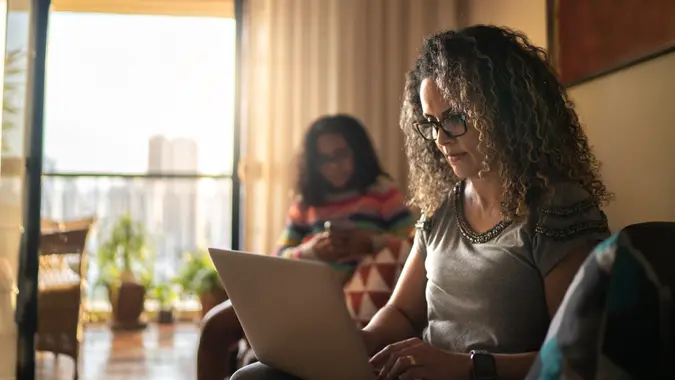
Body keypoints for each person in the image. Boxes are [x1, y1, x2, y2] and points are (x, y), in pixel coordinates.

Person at [231, 25, 613, 380]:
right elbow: (400, 312)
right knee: (254, 376)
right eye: (430, 122)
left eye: (455, 118)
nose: (440, 139)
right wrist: (355, 344)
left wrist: (462, 367)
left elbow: (573, 354)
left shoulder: (558, 209)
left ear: (504, 113)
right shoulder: (443, 208)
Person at [197, 114, 414, 380]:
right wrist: (313, 251)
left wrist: (369, 242)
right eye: (324, 160)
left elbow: (411, 243)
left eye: (341, 155)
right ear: (313, 163)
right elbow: (280, 257)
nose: (334, 166)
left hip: (343, 301)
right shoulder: (307, 201)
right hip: (300, 297)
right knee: (215, 324)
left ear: (358, 151)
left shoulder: (382, 190)